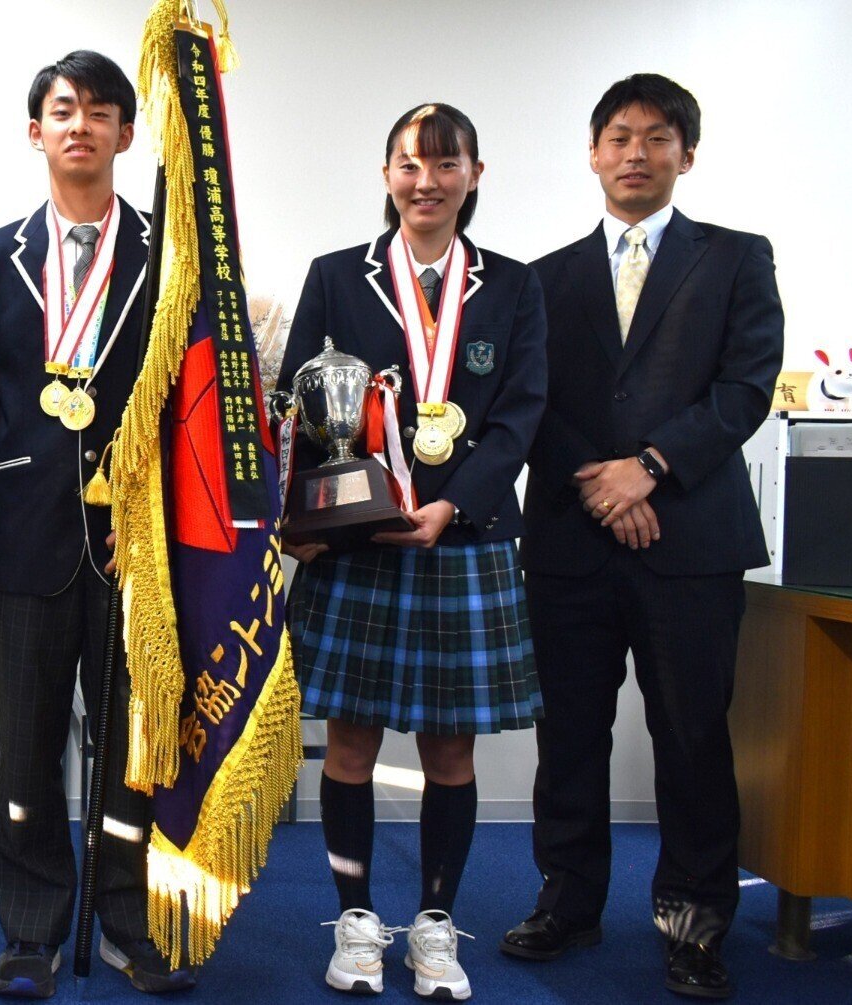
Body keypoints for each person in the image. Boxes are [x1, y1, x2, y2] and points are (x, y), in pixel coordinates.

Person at [502, 74, 782, 1001]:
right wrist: (605, 483)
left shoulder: (738, 259)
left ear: (685, 156)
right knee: (570, 734)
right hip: (572, 546)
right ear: (591, 152)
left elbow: (745, 389)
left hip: (691, 543)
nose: (635, 153)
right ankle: (568, 901)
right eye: (618, 136)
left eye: (656, 138)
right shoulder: (542, 278)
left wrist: (650, 467)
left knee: (693, 735)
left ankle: (695, 921)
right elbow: (529, 402)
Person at [0, 50, 194, 999]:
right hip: (23, 533)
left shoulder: (171, 257)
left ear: (127, 133)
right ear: (35, 132)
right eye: (60, 109)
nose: (79, 124)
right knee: (29, 739)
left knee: (137, 743)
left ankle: (128, 920)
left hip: (143, 543)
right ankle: (33, 926)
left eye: (98, 110)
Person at [280, 103, 548, 1000]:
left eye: (444, 164)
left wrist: (452, 503)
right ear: (386, 175)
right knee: (349, 743)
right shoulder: (335, 277)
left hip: (463, 541)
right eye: (407, 163)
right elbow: (301, 408)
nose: (425, 180)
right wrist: (317, 523)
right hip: (359, 548)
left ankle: (436, 923)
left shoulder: (513, 286)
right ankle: (355, 920)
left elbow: (519, 418)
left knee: (449, 755)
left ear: (475, 174)